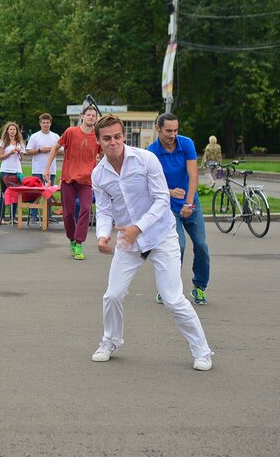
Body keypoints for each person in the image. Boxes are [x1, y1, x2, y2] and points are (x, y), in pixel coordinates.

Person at [90, 114, 213, 371]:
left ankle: (202, 351)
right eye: (107, 138)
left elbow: (161, 200)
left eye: (117, 137)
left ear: (124, 136)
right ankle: (110, 341)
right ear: (98, 141)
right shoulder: (99, 174)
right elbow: (103, 210)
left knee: (172, 298)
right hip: (128, 242)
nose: (113, 142)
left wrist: (138, 227)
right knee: (112, 294)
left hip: (160, 235)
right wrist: (102, 234)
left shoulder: (145, 159)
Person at [146, 114, 211, 305]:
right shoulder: (151, 152)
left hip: (191, 203)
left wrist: (189, 203)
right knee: (178, 246)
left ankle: (199, 287)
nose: (173, 134)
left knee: (201, 245)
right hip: (168, 207)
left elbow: (193, 175)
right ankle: (168, 288)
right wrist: (168, 192)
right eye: (168, 131)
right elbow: (148, 185)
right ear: (158, 129)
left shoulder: (186, 144)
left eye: (175, 130)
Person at [43, 105, 100, 260]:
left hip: (87, 181)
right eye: (88, 114)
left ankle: (79, 242)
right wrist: (47, 168)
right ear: (82, 116)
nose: (91, 117)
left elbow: (104, 157)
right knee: (68, 214)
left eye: (93, 115)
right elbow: (56, 148)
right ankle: (72, 238)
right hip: (69, 179)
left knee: (85, 209)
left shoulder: (97, 137)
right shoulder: (71, 132)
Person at [26, 113, 60, 223]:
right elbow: (28, 151)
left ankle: (48, 215)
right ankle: (33, 215)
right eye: (43, 122)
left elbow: (63, 150)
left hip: (51, 169)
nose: (45, 124)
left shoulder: (55, 136)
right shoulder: (35, 136)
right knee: (36, 193)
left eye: (47, 122)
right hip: (37, 169)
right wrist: (40, 150)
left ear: (50, 123)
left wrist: (52, 150)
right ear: (40, 123)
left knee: (48, 193)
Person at [0, 122, 24, 225]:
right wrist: (10, 153)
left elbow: (21, 158)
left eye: (14, 129)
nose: (12, 131)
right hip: (5, 171)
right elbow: (0, 157)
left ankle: (13, 217)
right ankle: (2, 217)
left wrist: (19, 152)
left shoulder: (19, 142)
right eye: (10, 129)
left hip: (16, 170)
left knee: (15, 194)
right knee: (4, 194)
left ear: (17, 131)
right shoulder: (3, 142)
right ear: (7, 131)